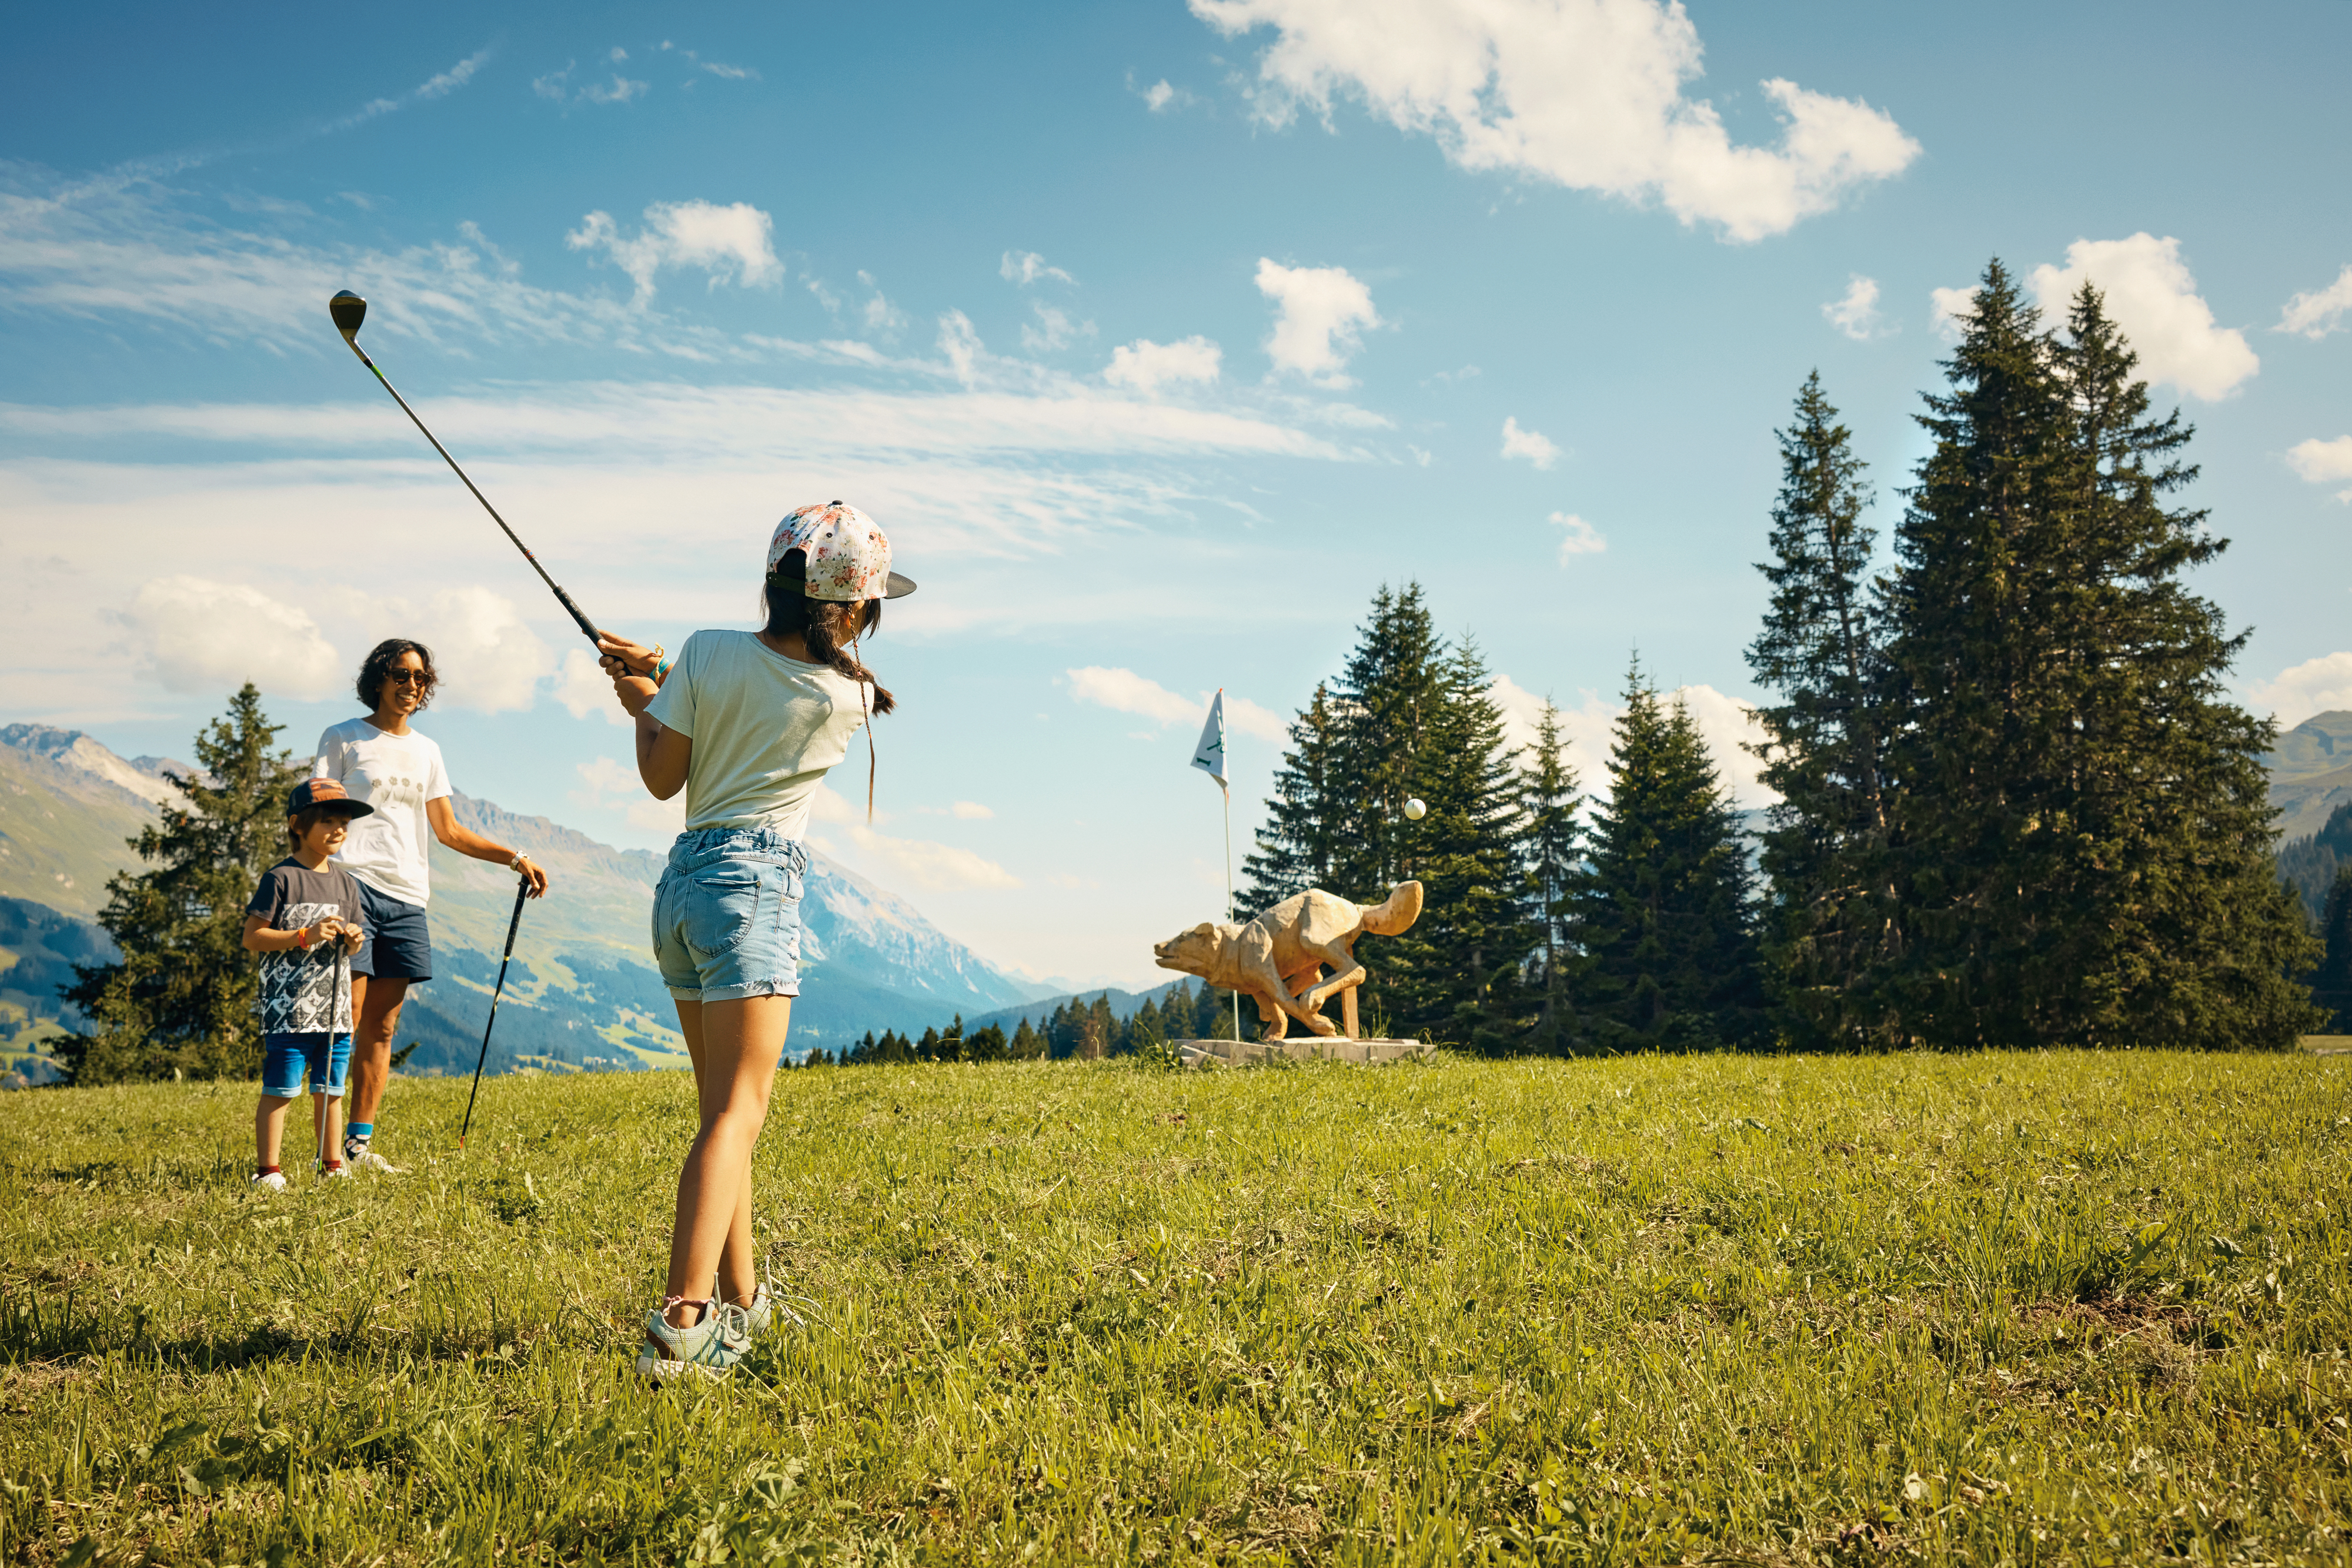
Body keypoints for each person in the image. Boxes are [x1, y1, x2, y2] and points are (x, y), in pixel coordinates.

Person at [600, 500, 913, 1379]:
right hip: (755, 889)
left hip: (683, 887)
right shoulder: (849, 695)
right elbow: (771, 688)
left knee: (720, 1118)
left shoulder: (701, 650)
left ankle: (742, 1305)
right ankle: (683, 1321)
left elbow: (666, 776)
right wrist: (655, 688)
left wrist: (649, 699)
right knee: (738, 1116)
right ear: (848, 608)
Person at [313, 639, 550, 1172]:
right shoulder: (344, 738)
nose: (412, 685)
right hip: (350, 885)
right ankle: (328, 1156)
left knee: (382, 1028)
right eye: (401, 674)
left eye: (421, 678)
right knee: (344, 1018)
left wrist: (516, 856)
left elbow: (449, 830)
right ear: (378, 677)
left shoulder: (427, 751)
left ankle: (359, 1145)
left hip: (406, 897)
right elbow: (318, 809)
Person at [243, 778, 373, 1189]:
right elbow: (252, 936)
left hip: (334, 1013)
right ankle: (269, 1171)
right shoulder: (280, 878)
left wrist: (353, 941)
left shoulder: (346, 883)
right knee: (281, 1089)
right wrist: (304, 935)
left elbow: (352, 940)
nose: (338, 830)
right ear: (298, 824)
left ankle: (330, 1164)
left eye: (344, 822)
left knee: (332, 1090)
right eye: (328, 821)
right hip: (289, 1010)